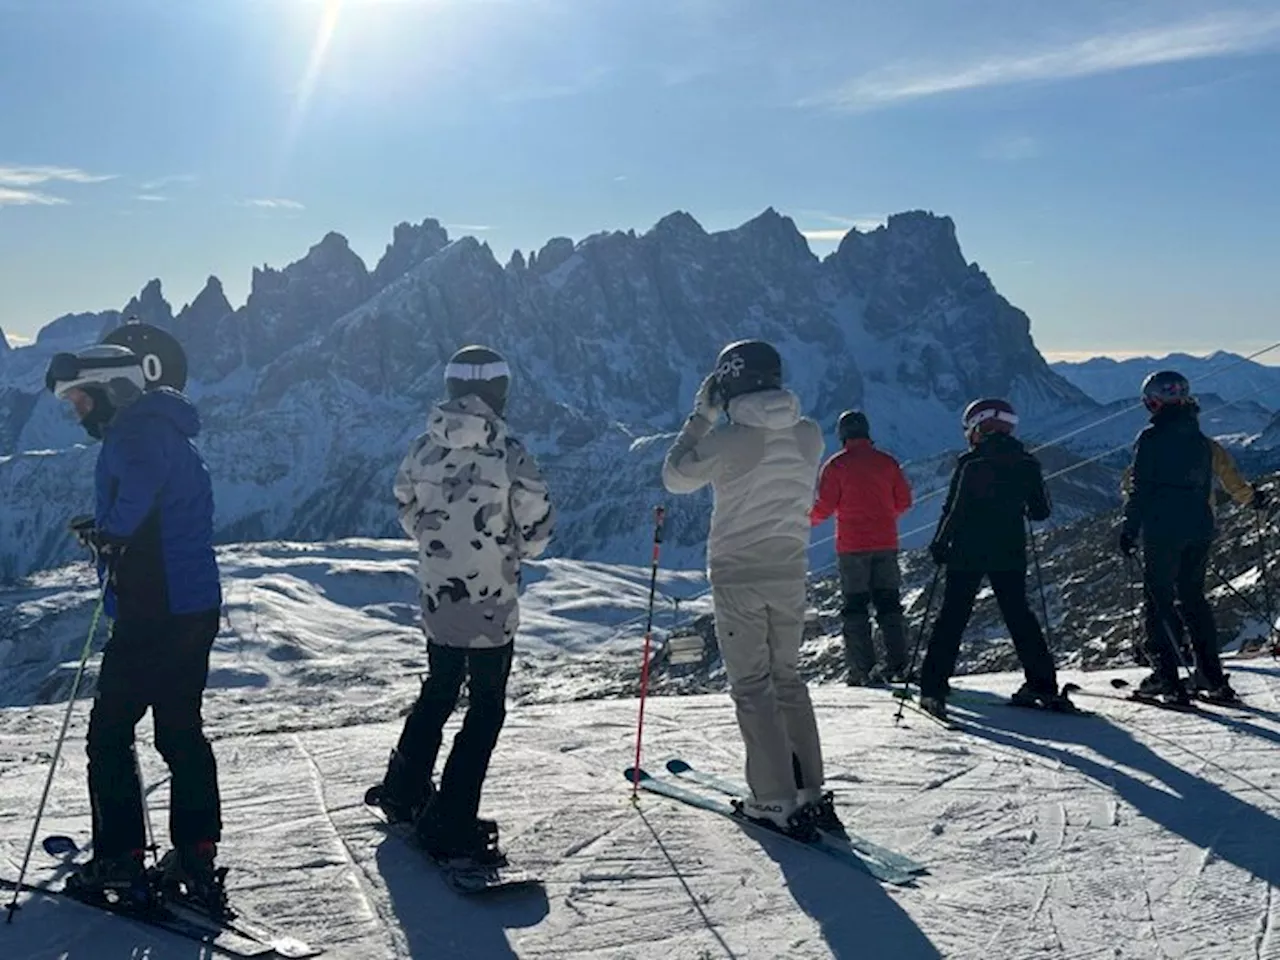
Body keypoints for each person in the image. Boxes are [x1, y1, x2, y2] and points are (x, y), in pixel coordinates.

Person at [45, 344, 225, 911]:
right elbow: (162, 503)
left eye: (80, 399)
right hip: (192, 602)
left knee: (109, 733)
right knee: (179, 729)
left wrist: (109, 534)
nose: (79, 412)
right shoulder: (165, 427)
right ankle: (195, 851)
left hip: (154, 606)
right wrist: (110, 529)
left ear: (111, 389)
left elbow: (140, 497)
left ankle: (119, 861)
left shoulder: (135, 434)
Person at [372, 345, 554, 864]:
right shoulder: (510, 453)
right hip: (492, 600)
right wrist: (510, 550)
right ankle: (451, 819)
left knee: (439, 689)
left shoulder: (421, 449)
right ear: (501, 392)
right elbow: (537, 527)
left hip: (437, 596)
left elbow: (405, 508)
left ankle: (403, 789)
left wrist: (436, 546)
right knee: (486, 707)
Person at [662, 339, 841, 839]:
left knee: (752, 686)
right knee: (788, 679)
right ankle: (809, 791)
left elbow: (675, 476)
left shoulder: (729, 439)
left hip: (739, 573)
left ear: (728, 381)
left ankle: (772, 800)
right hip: (791, 570)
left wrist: (700, 417)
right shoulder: (810, 435)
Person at [1119, 370, 1271, 705]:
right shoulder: (1204, 443)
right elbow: (1231, 478)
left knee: (1158, 603)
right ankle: (1212, 679)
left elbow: (1139, 488)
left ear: (1154, 403)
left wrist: (1129, 529)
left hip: (1162, 531)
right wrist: (1252, 499)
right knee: (1194, 600)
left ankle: (1167, 680)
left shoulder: (1151, 439)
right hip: (1200, 528)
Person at [917, 398, 1066, 720]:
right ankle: (1042, 683)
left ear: (977, 427)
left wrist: (940, 543)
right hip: (1009, 549)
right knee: (1019, 615)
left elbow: (953, 509)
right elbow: (1041, 512)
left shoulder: (971, 464)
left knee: (953, 617)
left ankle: (933, 687)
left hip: (967, 550)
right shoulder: (1027, 463)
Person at [810, 410, 913, 686]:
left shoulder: (836, 466)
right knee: (889, 604)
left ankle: (863, 670)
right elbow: (904, 502)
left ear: (842, 434)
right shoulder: (887, 463)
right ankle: (899, 665)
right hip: (886, 543)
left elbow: (825, 507)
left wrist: (804, 519)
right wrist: (882, 516)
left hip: (852, 547)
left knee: (855, 608)